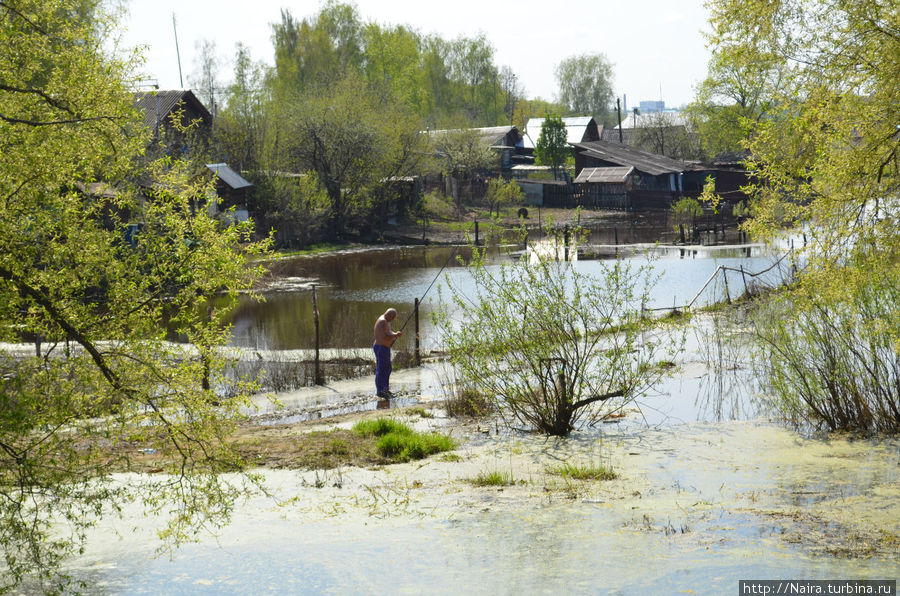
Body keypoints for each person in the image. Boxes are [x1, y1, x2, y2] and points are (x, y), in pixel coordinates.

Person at [373, 308, 402, 398]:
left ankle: (385, 389)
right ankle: (380, 391)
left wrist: (394, 334)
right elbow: (385, 337)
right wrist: (395, 335)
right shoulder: (382, 322)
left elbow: (389, 332)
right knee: (381, 369)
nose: (393, 319)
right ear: (389, 315)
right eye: (393, 317)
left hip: (385, 348)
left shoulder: (386, 321)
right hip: (380, 348)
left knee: (387, 369)